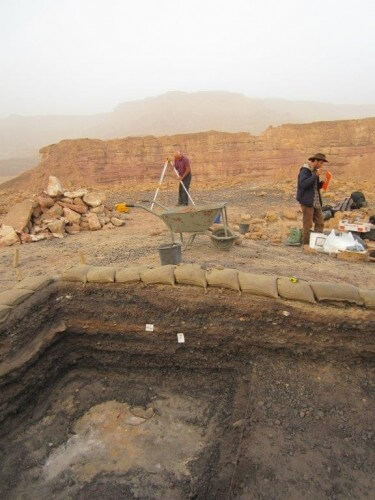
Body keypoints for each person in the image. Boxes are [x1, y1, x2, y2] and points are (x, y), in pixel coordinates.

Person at [296, 153, 328, 245]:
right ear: (316, 161)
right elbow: (304, 184)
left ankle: (317, 243)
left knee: (320, 222)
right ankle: (306, 244)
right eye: (321, 163)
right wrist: (315, 176)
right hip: (307, 201)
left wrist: (322, 183)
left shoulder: (314, 171)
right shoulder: (304, 170)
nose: (321, 165)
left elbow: (315, 187)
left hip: (316, 201)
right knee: (308, 224)